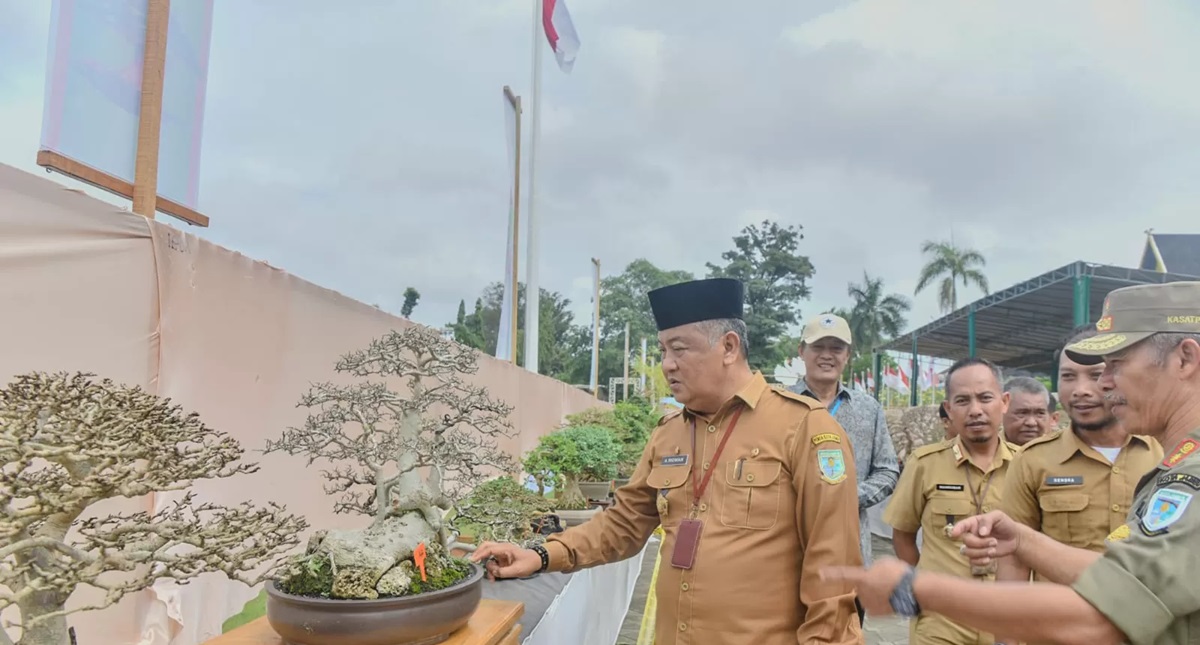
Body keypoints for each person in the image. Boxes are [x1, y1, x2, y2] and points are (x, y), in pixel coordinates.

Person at [471, 278, 865, 645]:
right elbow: (623, 524)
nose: (667, 364)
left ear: (728, 347)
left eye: (679, 349)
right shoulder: (669, 433)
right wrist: (542, 555)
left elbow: (833, 572)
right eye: (663, 350)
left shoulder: (804, 428)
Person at [821, 281, 1200, 645]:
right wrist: (1023, 540)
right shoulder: (1175, 465)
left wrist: (914, 589)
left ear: (1184, 359)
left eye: (1116, 364)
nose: (1103, 384)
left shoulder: (1191, 474)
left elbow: (1103, 617)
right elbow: (1122, 579)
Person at [993, 326, 1163, 644]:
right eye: (1068, 377)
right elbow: (1013, 557)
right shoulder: (1033, 460)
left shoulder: (1166, 452)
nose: (1080, 390)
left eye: (1095, 374)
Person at [881, 357, 1018, 645]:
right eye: (963, 400)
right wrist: (924, 584)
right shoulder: (924, 464)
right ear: (948, 408)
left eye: (985, 398)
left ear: (1004, 402)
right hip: (942, 620)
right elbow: (903, 535)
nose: (976, 410)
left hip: (1009, 617)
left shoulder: (1027, 465)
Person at [789, 313, 899, 626]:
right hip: (789, 555)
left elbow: (888, 469)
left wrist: (848, 496)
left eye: (836, 348)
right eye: (818, 346)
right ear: (802, 351)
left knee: (845, 633)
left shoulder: (868, 409)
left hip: (851, 555)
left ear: (847, 356)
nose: (827, 355)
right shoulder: (781, 405)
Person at [1000, 376, 1056, 446]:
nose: (1031, 423)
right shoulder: (987, 451)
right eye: (1022, 413)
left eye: (1040, 413)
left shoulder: (1060, 453)